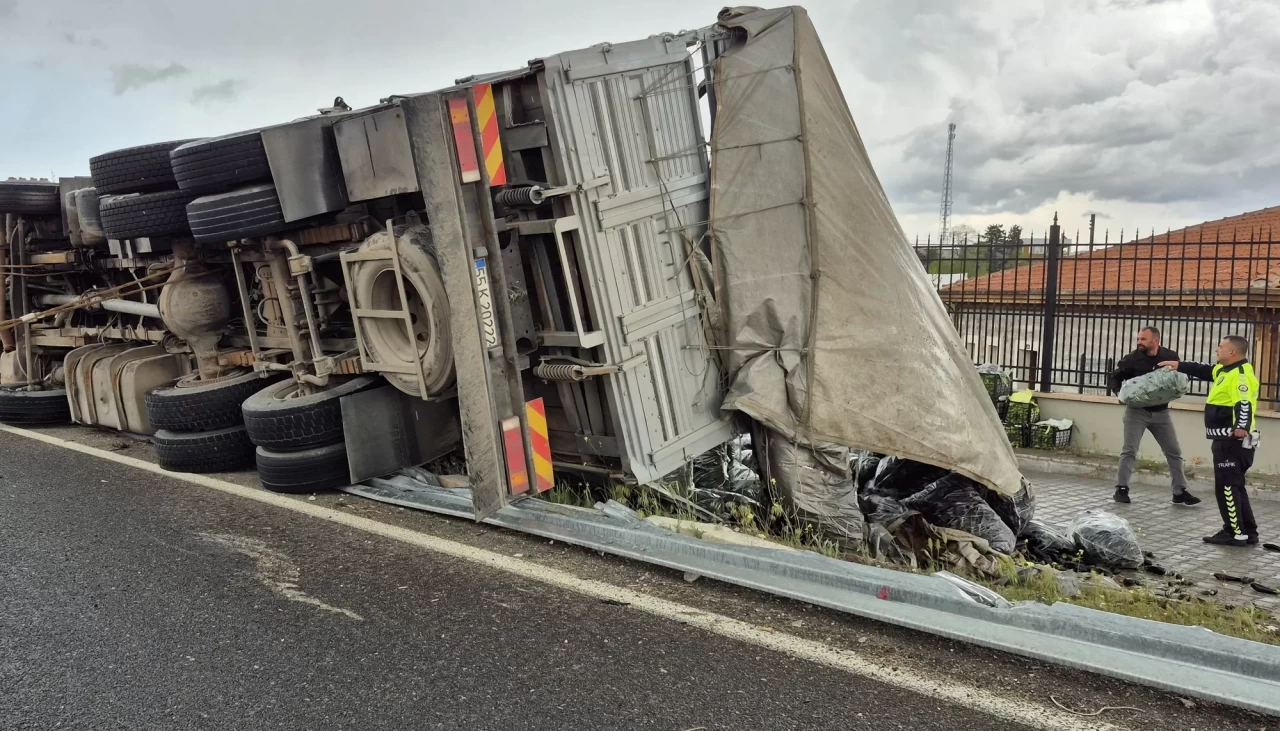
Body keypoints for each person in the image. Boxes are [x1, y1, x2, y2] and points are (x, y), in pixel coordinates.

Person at [1158, 335, 1262, 547]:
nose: (1217, 349)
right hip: (1226, 438)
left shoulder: (1240, 374)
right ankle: (1247, 531)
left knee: (1227, 487)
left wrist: (1240, 427)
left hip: (1232, 440)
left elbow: (1243, 403)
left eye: (1221, 346)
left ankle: (1234, 532)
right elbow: (1204, 370)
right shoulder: (1225, 371)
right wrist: (1179, 365)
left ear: (1232, 352)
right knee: (1236, 486)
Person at [1108, 327, 1199, 506]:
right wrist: (1120, 394)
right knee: (1129, 451)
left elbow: (1178, 378)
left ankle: (1179, 491)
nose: (1139, 342)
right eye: (1138, 338)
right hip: (1137, 412)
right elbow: (1114, 378)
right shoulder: (1131, 359)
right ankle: (1121, 489)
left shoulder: (1170, 357)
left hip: (1161, 412)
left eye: (1143, 339)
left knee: (1174, 452)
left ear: (1155, 341)